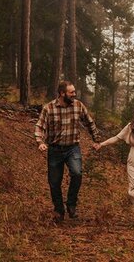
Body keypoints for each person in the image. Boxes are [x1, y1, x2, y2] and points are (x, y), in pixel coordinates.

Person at [35, 80, 101, 223]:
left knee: (77, 173)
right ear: (62, 93)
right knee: (54, 182)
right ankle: (59, 211)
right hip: (54, 149)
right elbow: (40, 127)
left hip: (73, 148)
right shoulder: (49, 108)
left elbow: (89, 122)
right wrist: (40, 142)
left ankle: (71, 204)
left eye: (74, 91)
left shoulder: (78, 106)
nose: (74, 94)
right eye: (71, 92)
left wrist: (96, 139)